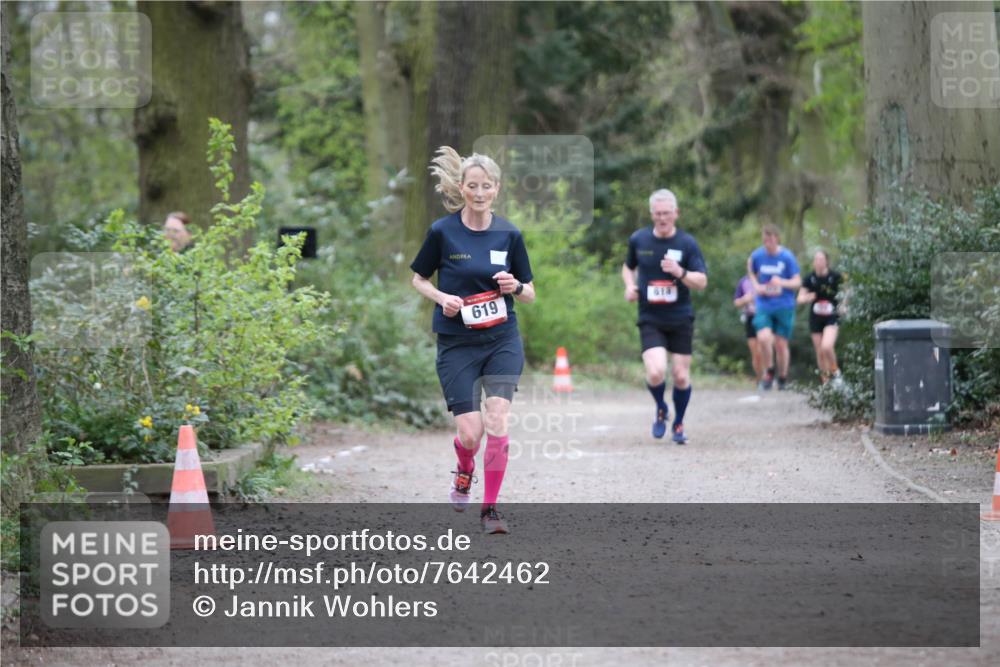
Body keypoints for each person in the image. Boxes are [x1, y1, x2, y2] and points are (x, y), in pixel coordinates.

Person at [410, 146, 535, 535]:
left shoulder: (509, 234)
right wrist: (442, 298)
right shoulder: (442, 232)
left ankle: (491, 510)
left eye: (487, 186)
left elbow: (529, 291)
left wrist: (515, 286)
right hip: (457, 343)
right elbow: (418, 278)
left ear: (496, 189)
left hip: (502, 340)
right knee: (471, 433)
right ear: (461, 188)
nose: (479, 193)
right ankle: (464, 471)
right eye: (472, 186)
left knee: (497, 420)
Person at [622, 189, 708, 444]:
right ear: (652, 214)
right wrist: (629, 286)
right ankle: (661, 407)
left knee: (681, 375)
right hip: (650, 316)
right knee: (657, 371)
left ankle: (679, 423)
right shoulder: (639, 240)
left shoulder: (687, 244)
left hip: (680, 317)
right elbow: (628, 267)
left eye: (666, 213)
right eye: (657, 214)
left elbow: (701, 281)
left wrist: (681, 272)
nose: (662, 218)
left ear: (676, 214)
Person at [747, 224, 801, 390]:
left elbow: (797, 282)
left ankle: (783, 377)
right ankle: (769, 373)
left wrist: (781, 282)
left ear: (777, 238)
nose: (767, 242)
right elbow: (750, 270)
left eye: (770, 239)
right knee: (763, 338)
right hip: (764, 304)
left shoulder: (787, 257)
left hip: (784, 304)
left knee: (780, 344)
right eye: (765, 239)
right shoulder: (757, 256)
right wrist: (756, 286)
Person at [797, 250, 843, 383]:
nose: (818, 262)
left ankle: (835, 371)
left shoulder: (835, 276)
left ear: (827, 261)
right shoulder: (809, 278)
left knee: (827, 346)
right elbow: (799, 298)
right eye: (816, 259)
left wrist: (843, 305)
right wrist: (807, 297)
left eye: (821, 259)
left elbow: (847, 292)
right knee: (820, 351)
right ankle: (826, 382)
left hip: (832, 316)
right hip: (816, 318)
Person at [733, 274, 766, 383]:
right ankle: (759, 378)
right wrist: (745, 299)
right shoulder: (744, 281)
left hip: (765, 317)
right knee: (755, 353)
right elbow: (736, 302)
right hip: (750, 318)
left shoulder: (766, 278)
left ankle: (766, 377)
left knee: (762, 350)